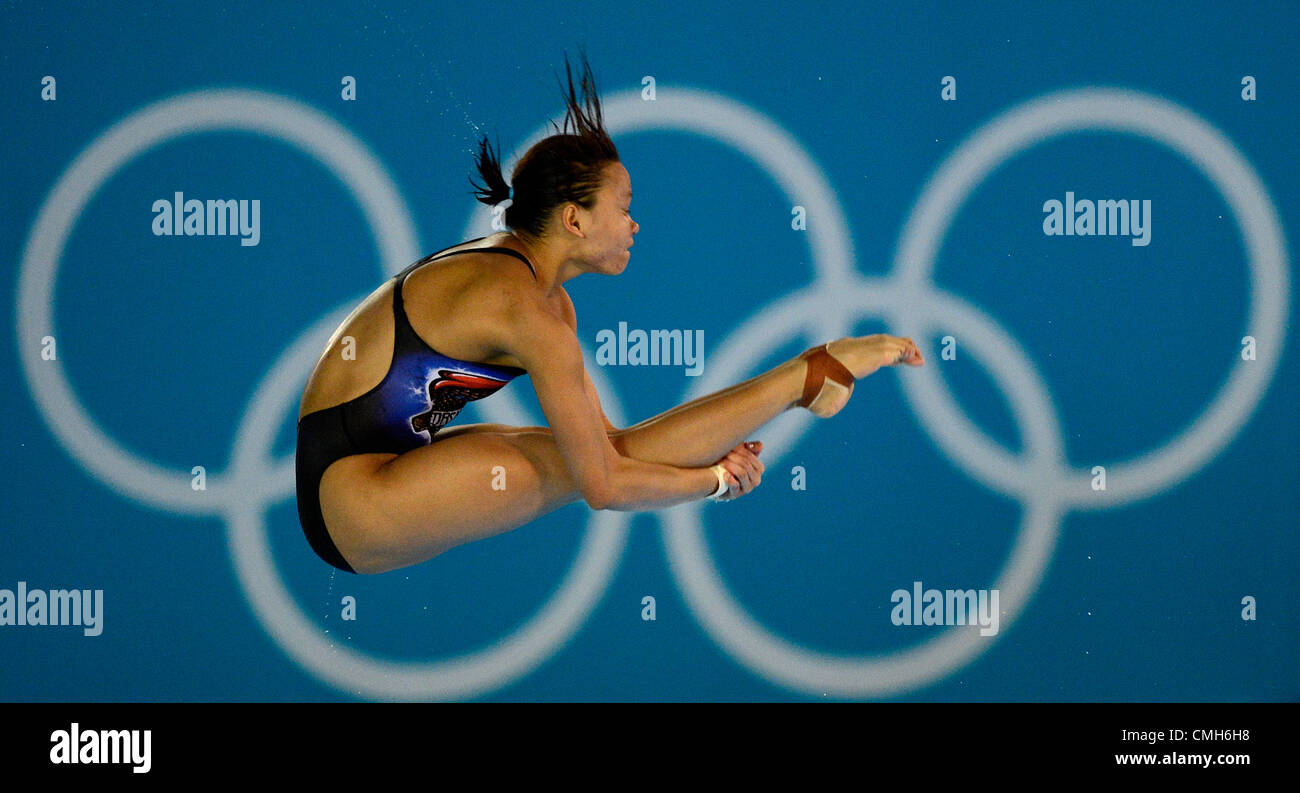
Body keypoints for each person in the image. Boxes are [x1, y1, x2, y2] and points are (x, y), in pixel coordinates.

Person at [295, 51, 923, 575]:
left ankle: (808, 378)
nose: (634, 223)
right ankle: (806, 376)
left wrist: (705, 467)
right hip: (352, 500)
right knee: (593, 464)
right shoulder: (521, 308)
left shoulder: (548, 302)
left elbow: (613, 453)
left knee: (605, 448)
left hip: (383, 467)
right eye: (623, 207)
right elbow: (605, 488)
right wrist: (714, 481)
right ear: (574, 219)